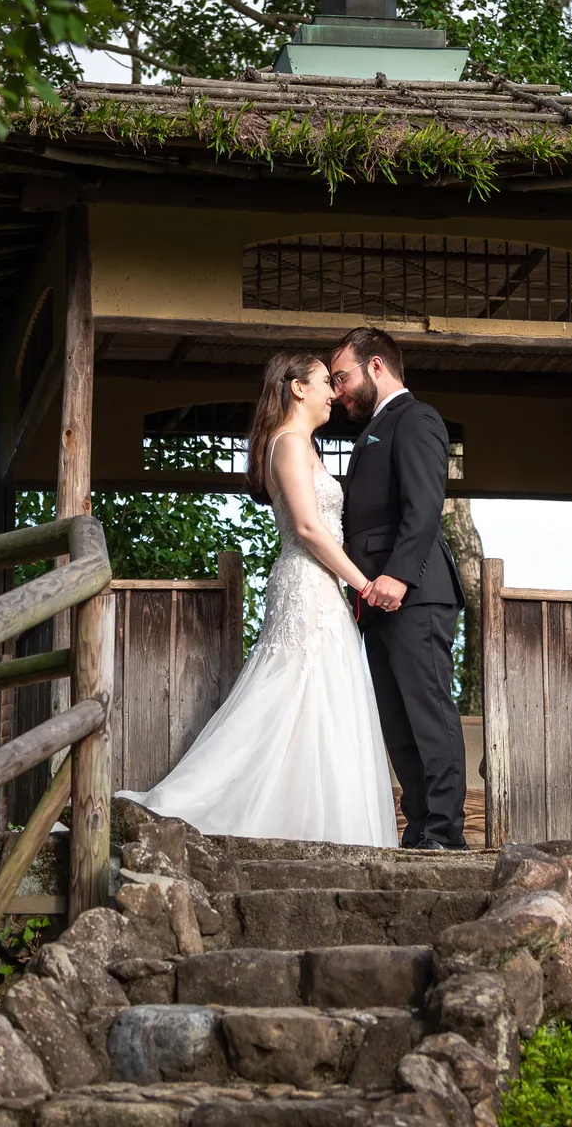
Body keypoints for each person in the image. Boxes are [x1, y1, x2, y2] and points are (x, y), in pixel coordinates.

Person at [119, 351, 398, 846]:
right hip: (306, 585)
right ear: (296, 388)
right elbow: (310, 528)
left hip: (323, 589)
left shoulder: (305, 447)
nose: (334, 393)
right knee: (289, 693)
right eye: (324, 383)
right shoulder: (287, 444)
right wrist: (365, 584)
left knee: (322, 703)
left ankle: (312, 822)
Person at [328, 328, 468, 850]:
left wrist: (399, 575)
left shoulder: (417, 418)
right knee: (397, 721)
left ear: (377, 366)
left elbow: (424, 505)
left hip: (415, 592)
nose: (338, 390)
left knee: (428, 710)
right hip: (374, 601)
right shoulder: (372, 431)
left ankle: (446, 834)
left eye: (342, 376)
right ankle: (419, 827)